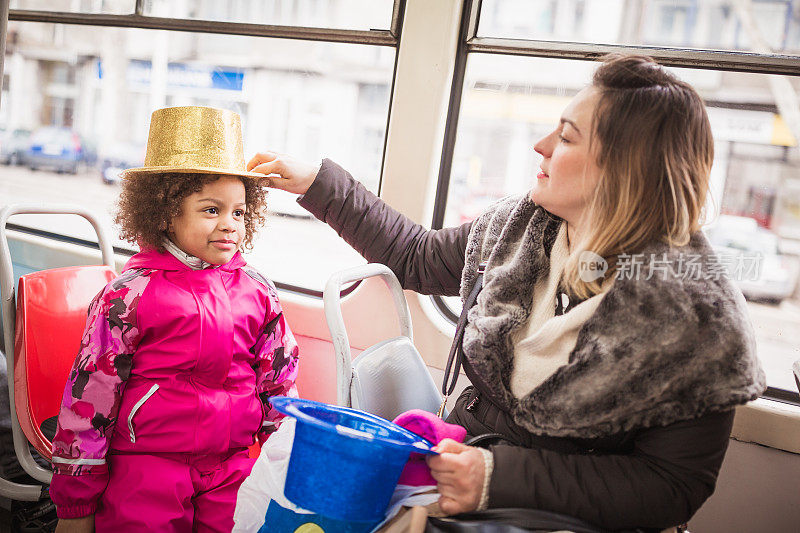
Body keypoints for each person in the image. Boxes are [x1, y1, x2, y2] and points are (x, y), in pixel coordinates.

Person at [246, 55, 766, 531]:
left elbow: (671, 486)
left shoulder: (699, 319)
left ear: (622, 168)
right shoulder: (523, 228)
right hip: (454, 482)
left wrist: (498, 476)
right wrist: (317, 181)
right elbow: (417, 258)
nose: (540, 146)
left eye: (565, 138)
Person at [50, 106, 299, 532]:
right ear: (166, 214)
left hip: (233, 468)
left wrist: (282, 458)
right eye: (210, 210)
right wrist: (76, 505)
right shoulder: (129, 296)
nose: (229, 225)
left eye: (238, 212)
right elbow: (90, 399)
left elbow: (280, 380)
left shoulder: (257, 291)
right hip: (147, 467)